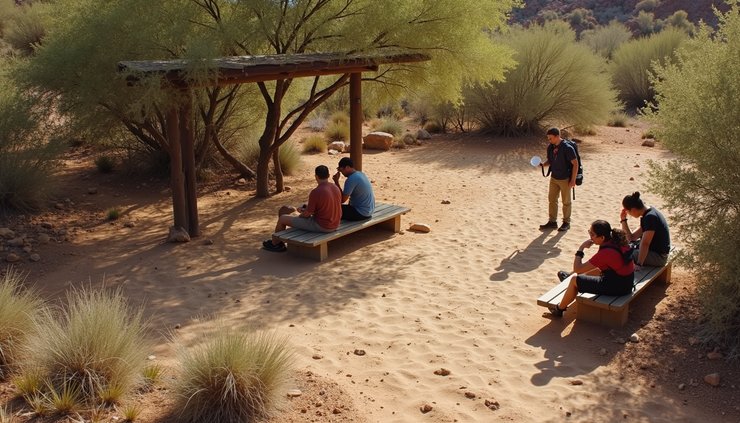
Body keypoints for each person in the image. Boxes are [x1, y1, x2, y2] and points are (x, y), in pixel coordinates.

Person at [549, 220, 635, 317]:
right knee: (590, 272)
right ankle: (568, 277)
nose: (590, 237)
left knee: (574, 280)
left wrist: (581, 249)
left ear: (602, 237)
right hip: (626, 282)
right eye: (590, 233)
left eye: (592, 234)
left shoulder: (606, 252)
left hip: (619, 288)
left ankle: (559, 310)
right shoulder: (615, 241)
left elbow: (578, 268)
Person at [262, 165, 342, 252]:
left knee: (282, 218)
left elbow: (308, 213)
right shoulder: (335, 187)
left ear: (316, 177)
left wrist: (301, 215)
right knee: (298, 216)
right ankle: (277, 242)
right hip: (335, 224)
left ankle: (275, 244)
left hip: (323, 226)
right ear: (329, 175)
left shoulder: (316, 192)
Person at [538, 127, 579, 232]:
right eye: (548, 138)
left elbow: (575, 164)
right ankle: (552, 222)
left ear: (558, 136)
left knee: (566, 202)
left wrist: (573, 180)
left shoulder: (567, 148)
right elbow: (550, 161)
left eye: (551, 138)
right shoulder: (550, 147)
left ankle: (566, 222)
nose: (549, 140)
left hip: (565, 178)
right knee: (552, 200)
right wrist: (543, 165)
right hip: (554, 177)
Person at [620, 192, 671, 269]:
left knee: (620, 254)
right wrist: (623, 220)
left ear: (633, 209)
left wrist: (639, 264)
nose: (629, 214)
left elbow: (645, 243)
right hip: (653, 252)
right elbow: (631, 237)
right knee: (622, 247)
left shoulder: (650, 217)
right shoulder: (648, 213)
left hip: (659, 257)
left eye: (628, 212)